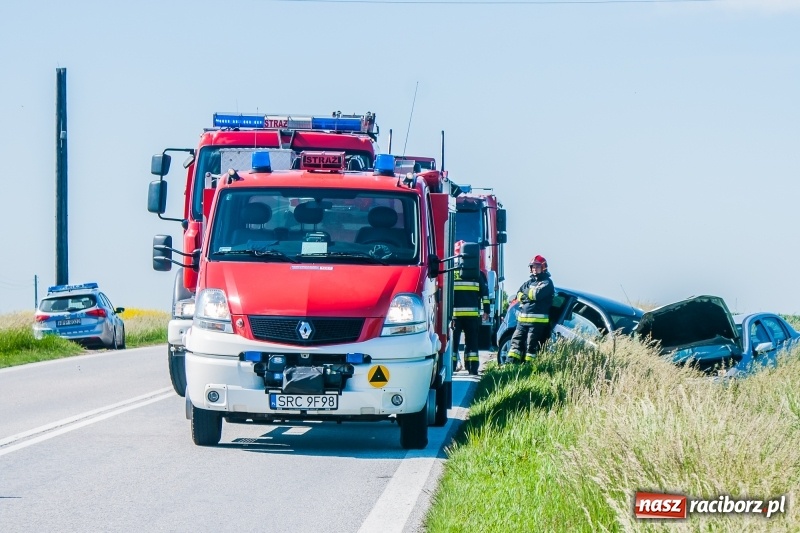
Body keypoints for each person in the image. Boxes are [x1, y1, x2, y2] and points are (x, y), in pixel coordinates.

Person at [506, 255, 554, 364]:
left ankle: (529, 369)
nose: (534, 269)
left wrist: (525, 295)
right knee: (515, 344)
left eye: (537, 267)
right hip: (522, 321)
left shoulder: (547, 283)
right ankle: (510, 366)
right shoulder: (529, 282)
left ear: (543, 268)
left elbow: (536, 295)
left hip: (536, 323)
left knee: (531, 346)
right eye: (532, 267)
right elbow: (519, 294)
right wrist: (525, 295)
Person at [451, 241, 490, 375]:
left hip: (455, 316)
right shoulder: (478, 273)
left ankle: (451, 367)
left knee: (453, 343)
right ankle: (472, 368)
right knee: (472, 343)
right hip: (472, 316)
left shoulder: (451, 273)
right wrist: (486, 311)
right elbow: (485, 293)